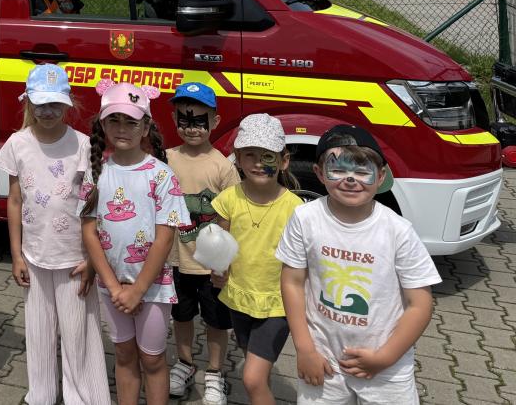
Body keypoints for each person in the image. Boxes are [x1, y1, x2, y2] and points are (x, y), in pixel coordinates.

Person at [277, 126, 440, 405]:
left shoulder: (398, 231)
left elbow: (420, 304)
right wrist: (304, 349)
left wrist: (385, 357)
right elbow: (292, 282)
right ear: (319, 173)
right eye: (337, 169)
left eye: (362, 171)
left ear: (381, 176)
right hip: (323, 359)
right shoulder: (304, 218)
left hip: (387, 368)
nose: (350, 179)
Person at [0, 65, 108, 405]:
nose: (47, 112)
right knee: (39, 330)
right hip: (34, 256)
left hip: (74, 257)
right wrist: (16, 254)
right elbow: (15, 200)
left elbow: (93, 205)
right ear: (29, 102)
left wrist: (92, 259)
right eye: (41, 104)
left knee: (78, 333)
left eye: (55, 104)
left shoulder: (83, 145)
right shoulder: (18, 143)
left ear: (68, 102)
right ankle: (41, 394)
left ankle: (84, 397)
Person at [80, 80, 189, 405]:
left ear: (146, 127)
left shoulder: (161, 175)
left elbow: (164, 238)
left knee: (153, 359)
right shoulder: (95, 173)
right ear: (102, 125)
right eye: (113, 120)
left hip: (153, 288)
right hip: (111, 288)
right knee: (124, 355)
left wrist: (138, 290)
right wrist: (115, 288)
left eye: (131, 121)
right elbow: (89, 232)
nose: (121, 128)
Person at [211, 114, 302, 405]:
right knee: (257, 370)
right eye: (250, 154)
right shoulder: (229, 198)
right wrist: (218, 268)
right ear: (237, 159)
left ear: (283, 161)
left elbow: (303, 260)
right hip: (239, 297)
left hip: (278, 303)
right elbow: (221, 241)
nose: (259, 163)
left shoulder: (296, 208)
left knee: (251, 378)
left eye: (268, 155)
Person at [165, 82, 239, 404]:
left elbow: (230, 216)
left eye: (199, 120)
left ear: (215, 121)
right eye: (184, 119)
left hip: (211, 267)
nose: (191, 127)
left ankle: (215, 372)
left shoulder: (223, 166)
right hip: (175, 260)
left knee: (216, 321)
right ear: (174, 119)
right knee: (181, 316)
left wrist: (223, 264)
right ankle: (184, 363)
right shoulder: (166, 159)